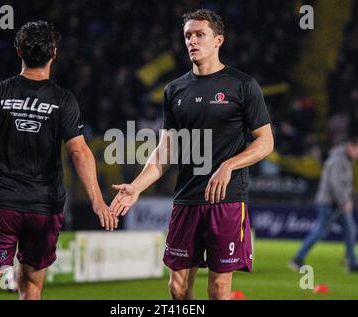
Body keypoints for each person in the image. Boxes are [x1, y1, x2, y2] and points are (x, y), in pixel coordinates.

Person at [110, 9, 273, 300]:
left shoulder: (243, 85)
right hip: (186, 199)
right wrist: (136, 187)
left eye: (200, 35)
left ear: (218, 40)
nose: (192, 41)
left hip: (228, 200)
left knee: (220, 288)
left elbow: (265, 142)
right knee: (177, 288)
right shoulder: (174, 90)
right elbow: (166, 151)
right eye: (188, 36)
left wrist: (229, 165)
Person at [0, 21, 117, 300]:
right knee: (31, 286)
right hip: (44, 208)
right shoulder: (64, 100)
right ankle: (4, 280)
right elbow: (79, 152)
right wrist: (97, 200)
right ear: (54, 54)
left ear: (18, 52)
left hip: (3, 204)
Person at [289, 135, 358, 273]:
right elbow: (336, 183)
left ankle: (352, 262)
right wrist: (344, 201)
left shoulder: (343, 158)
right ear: (350, 147)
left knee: (349, 229)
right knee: (321, 231)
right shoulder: (339, 159)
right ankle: (297, 259)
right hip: (330, 203)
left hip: (334, 203)